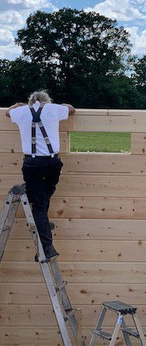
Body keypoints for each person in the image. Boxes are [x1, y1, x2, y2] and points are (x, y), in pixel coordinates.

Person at [6, 91, 75, 261]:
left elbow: (8, 112)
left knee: (38, 204)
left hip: (33, 164)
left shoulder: (21, 112)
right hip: (53, 163)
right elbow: (71, 109)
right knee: (43, 197)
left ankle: (46, 244)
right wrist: (61, 105)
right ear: (46, 101)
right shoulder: (53, 108)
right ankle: (45, 235)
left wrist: (18, 105)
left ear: (30, 102)